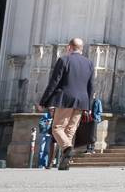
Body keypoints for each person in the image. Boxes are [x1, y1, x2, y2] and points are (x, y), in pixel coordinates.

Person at [38, 38, 95, 172]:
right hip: (82, 101)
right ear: (82, 49)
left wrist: (43, 101)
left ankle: (67, 148)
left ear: (69, 47)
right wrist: (89, 106)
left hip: (65, 99)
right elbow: (91, 86)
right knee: (70, 130)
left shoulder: (64, 60)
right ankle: (65, 162)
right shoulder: (89, 63)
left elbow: (54, 82)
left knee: (57, 128)